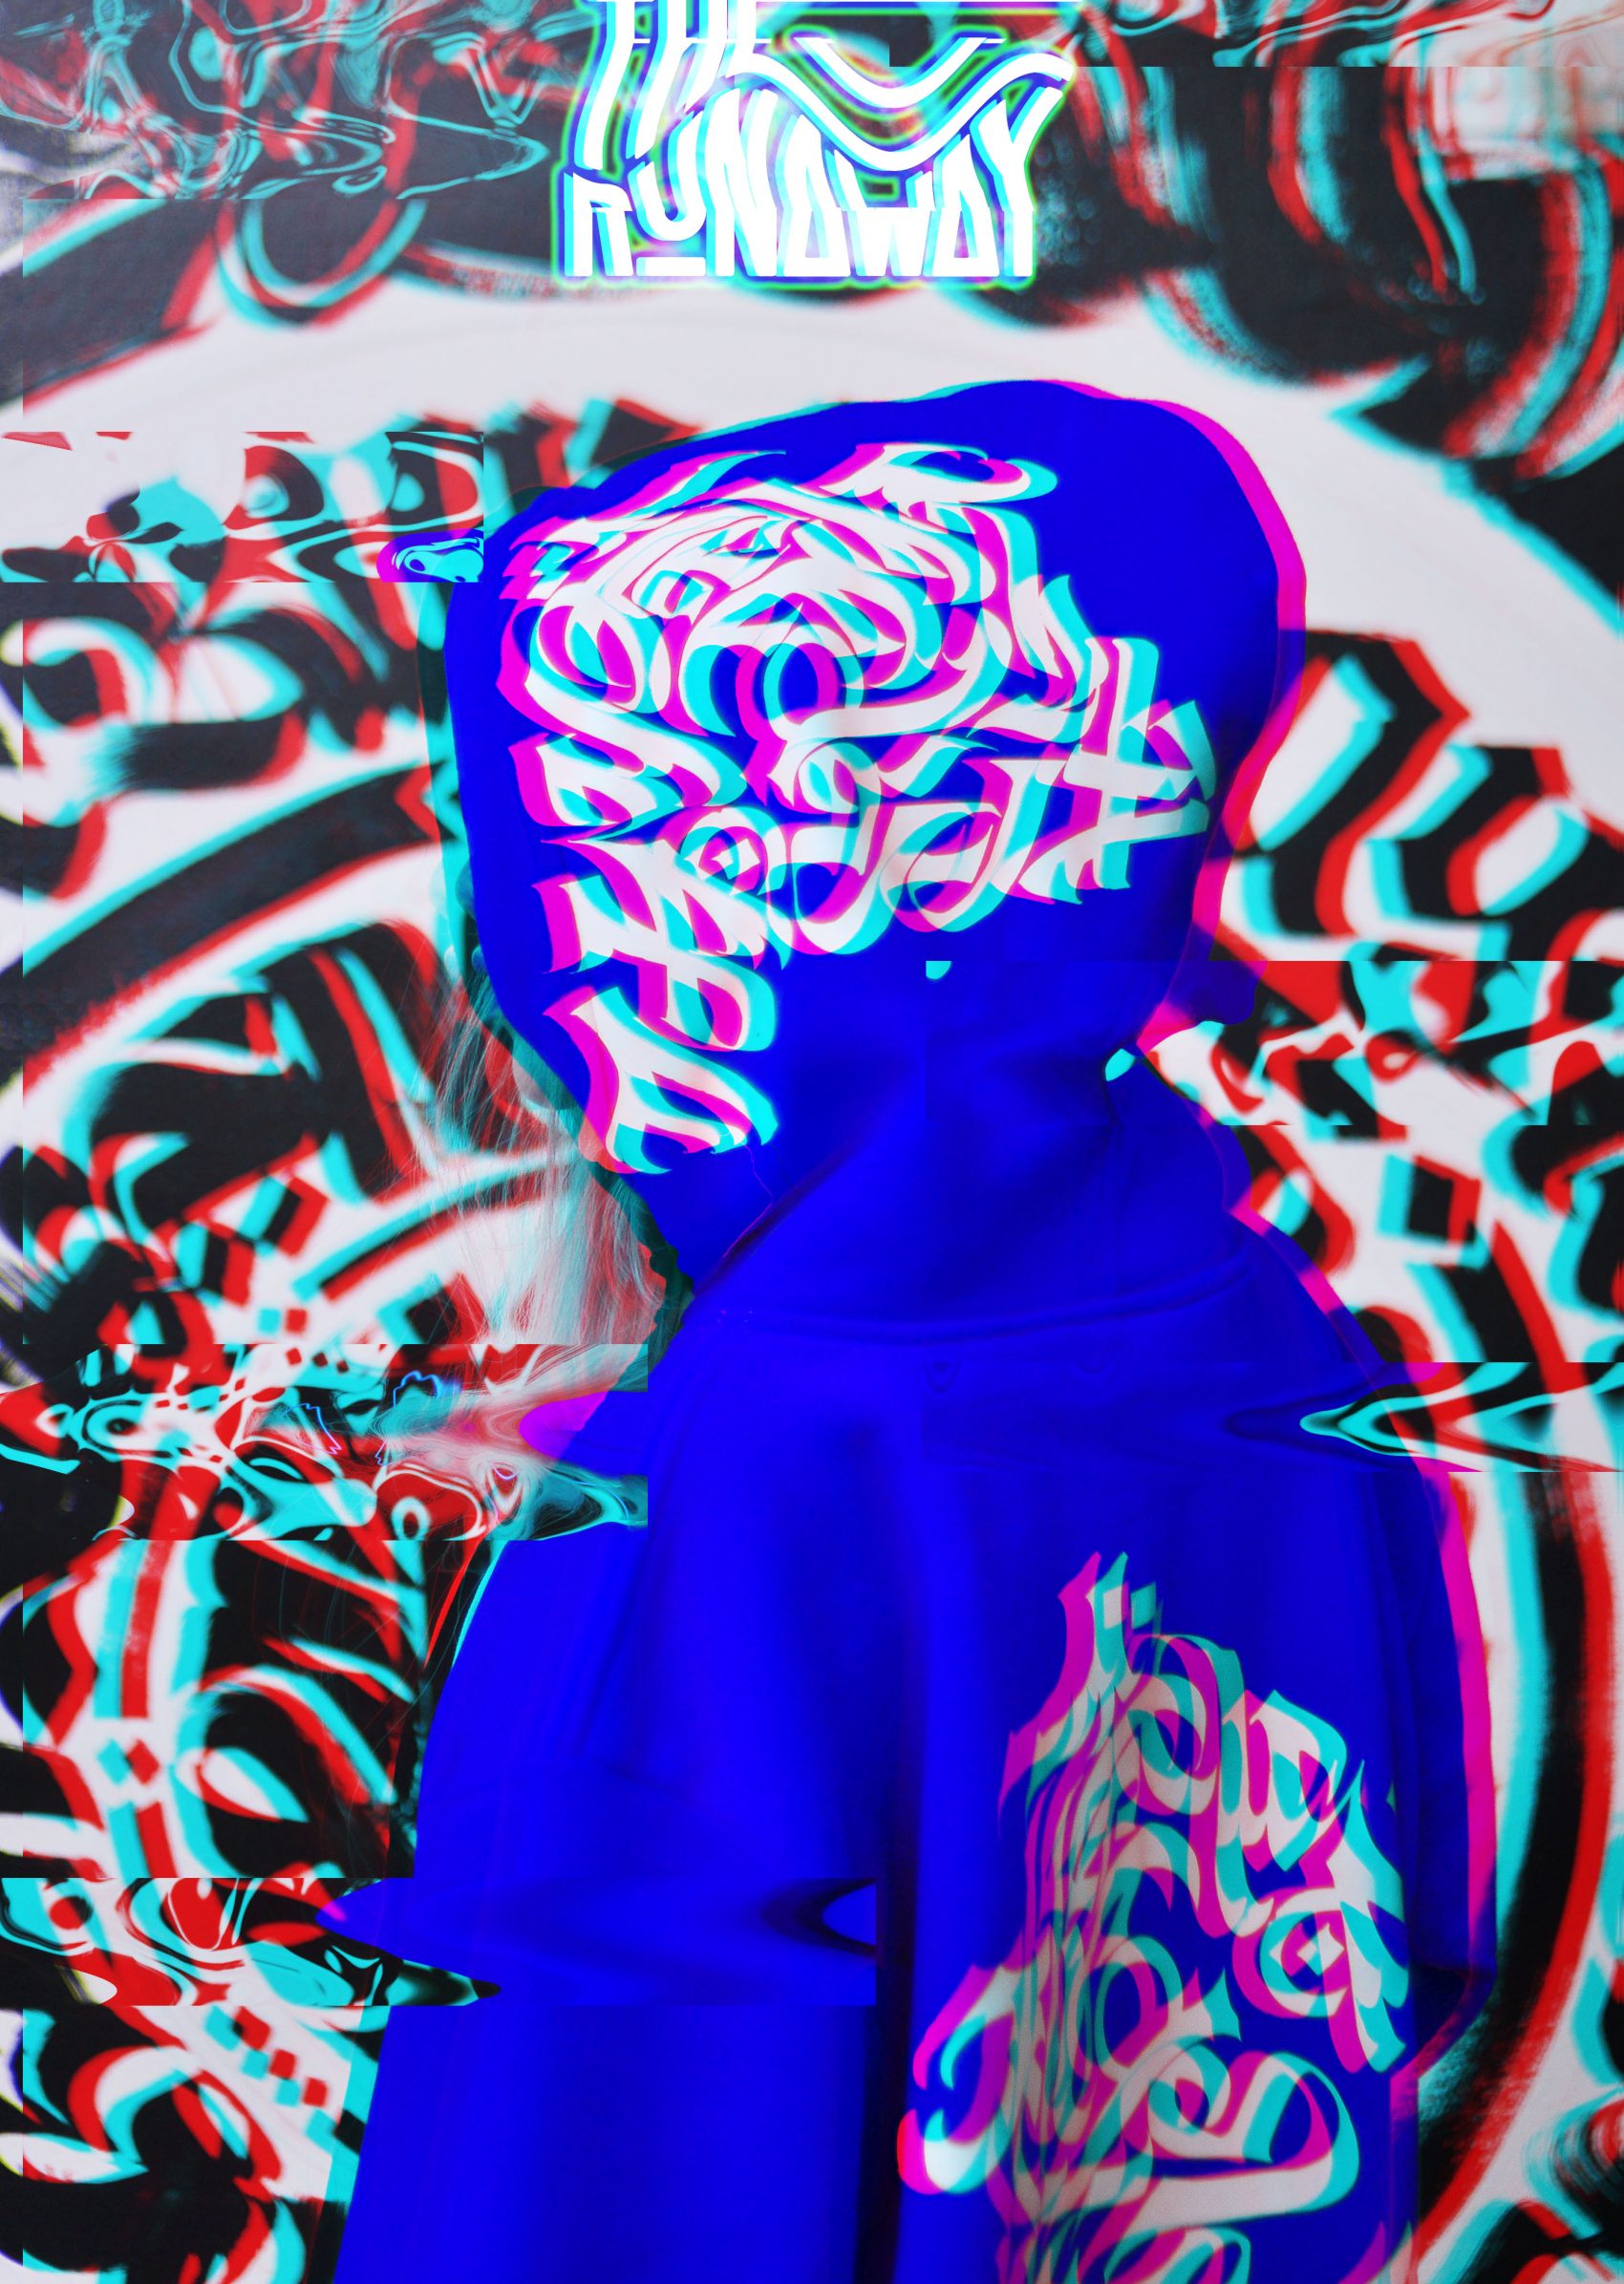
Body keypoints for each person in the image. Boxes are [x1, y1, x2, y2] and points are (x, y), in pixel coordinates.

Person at [328, 380, 1494, 2283]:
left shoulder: (702, 1502)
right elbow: (1400, 1954)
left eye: (525, 842)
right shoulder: (1271, 1341)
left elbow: (580, 2199)